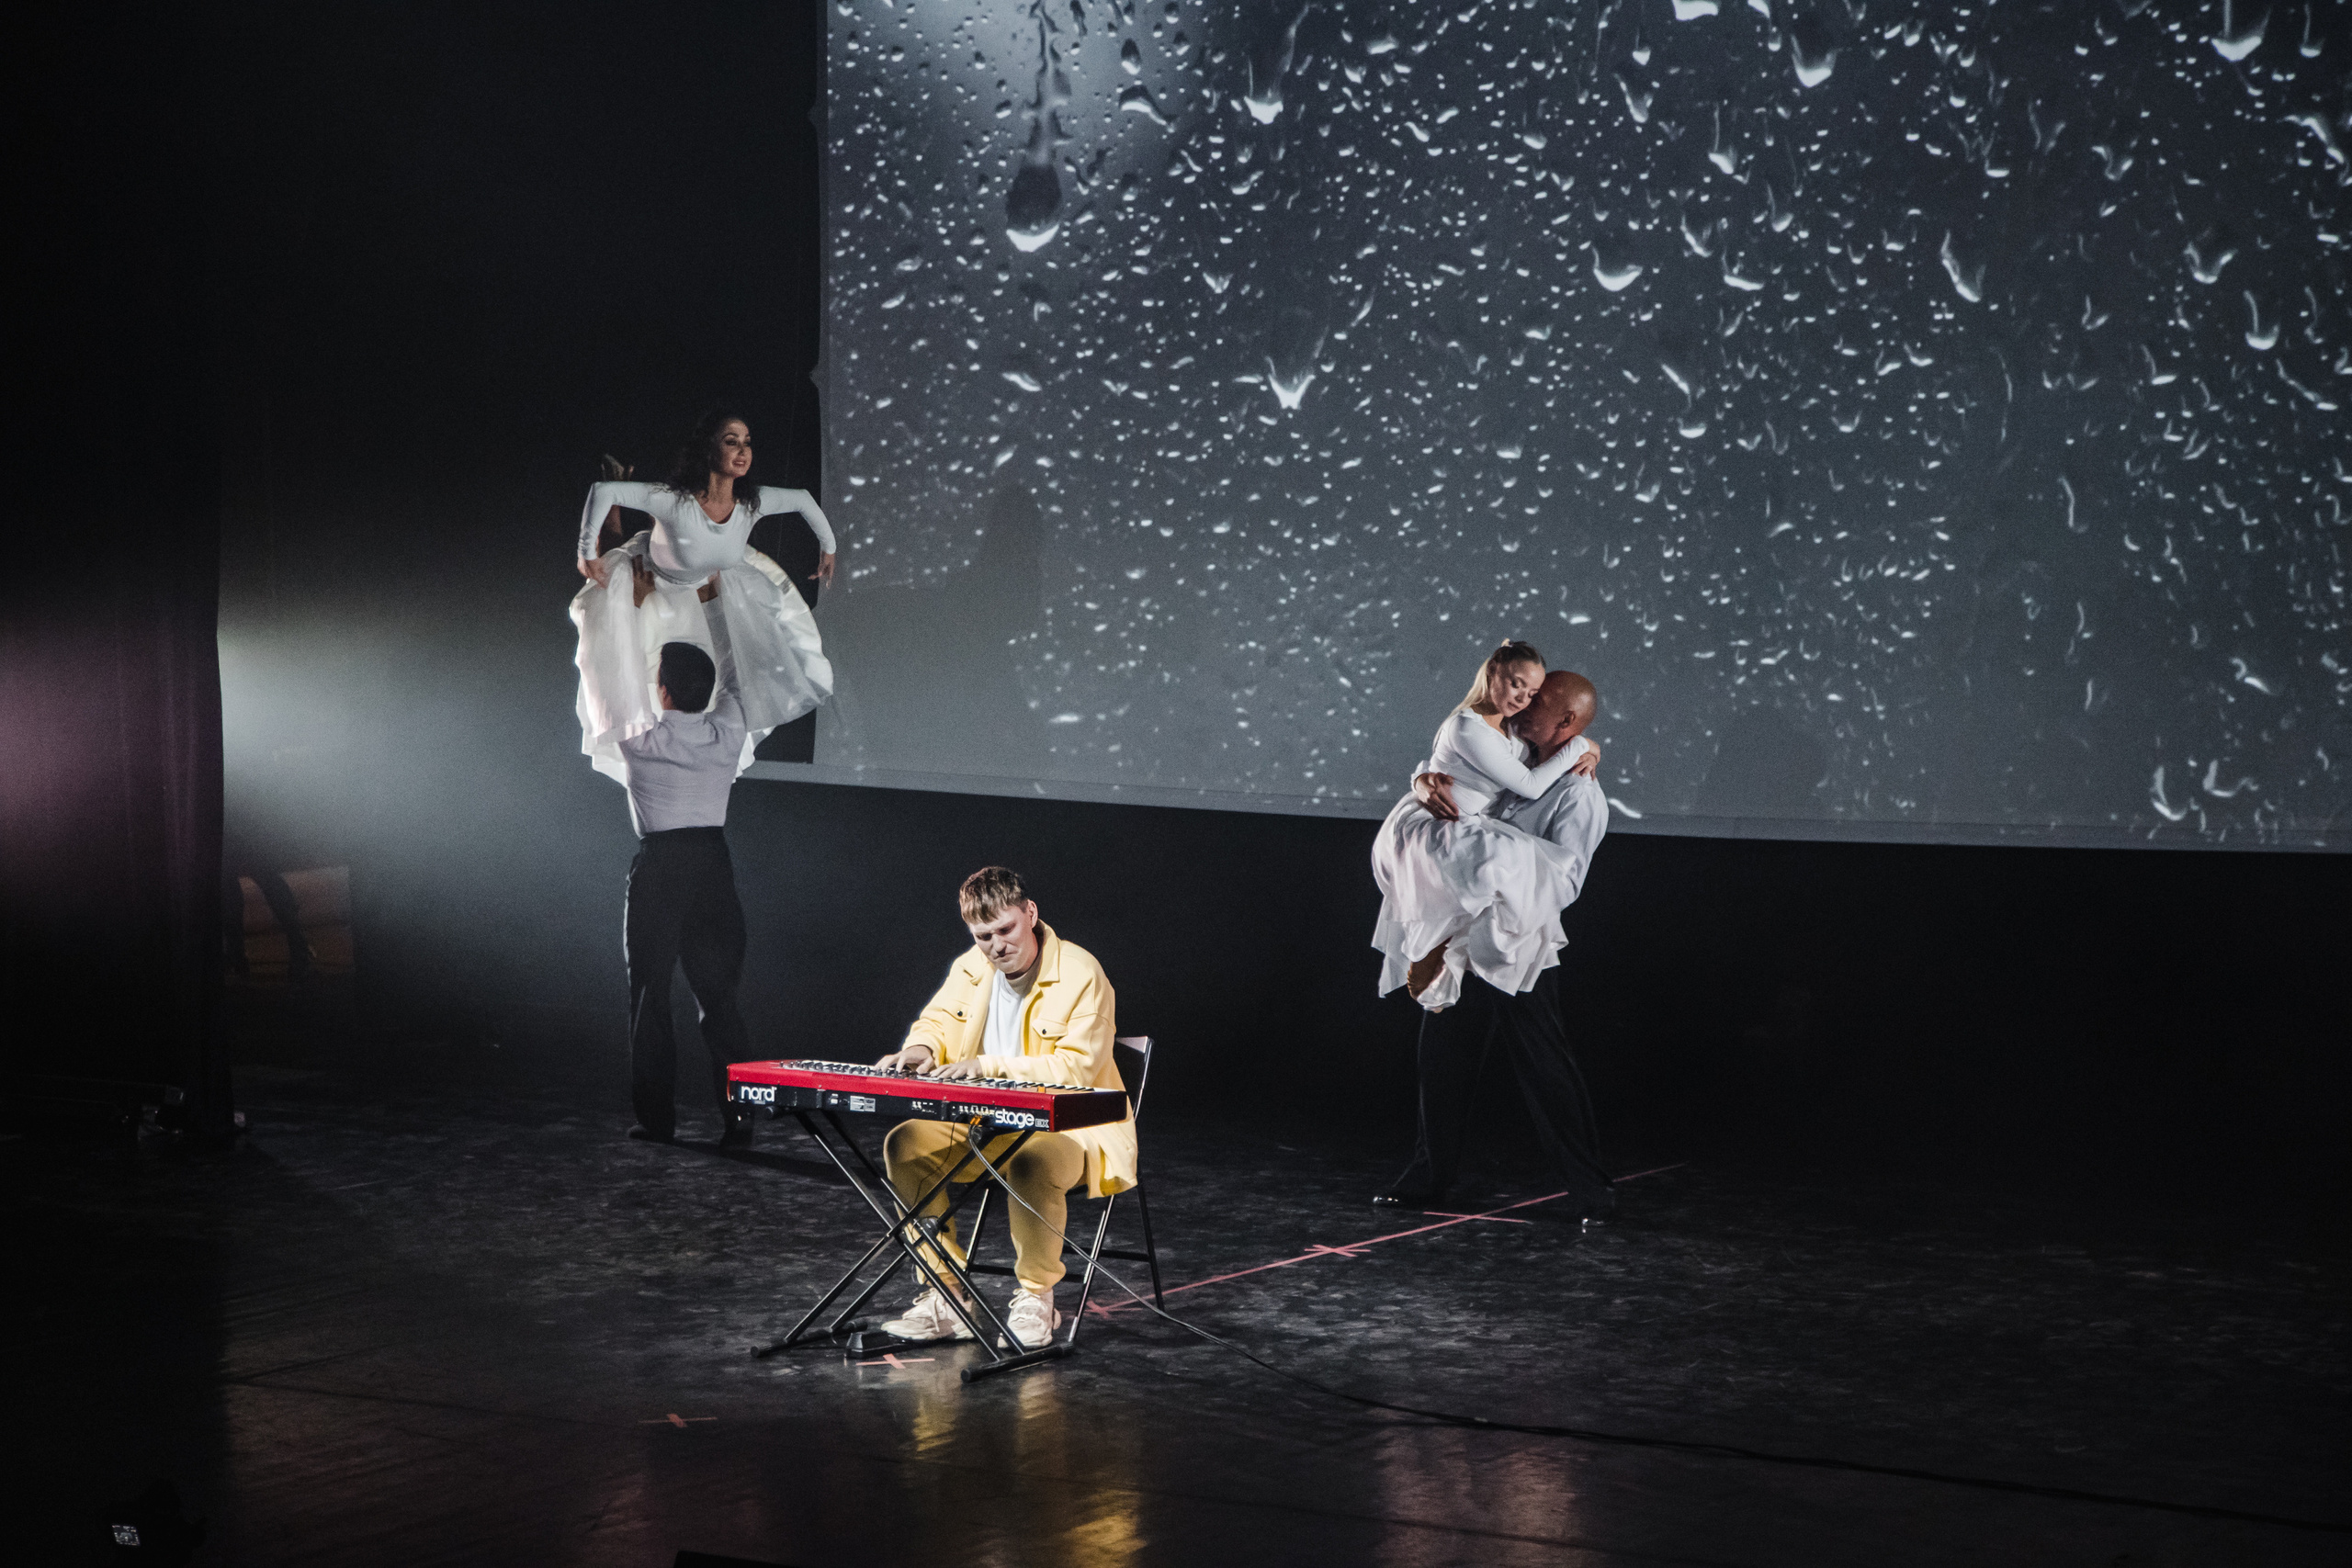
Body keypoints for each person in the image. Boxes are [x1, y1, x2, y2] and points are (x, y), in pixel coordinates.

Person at [1375, 671, 1615, 1216]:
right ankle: (1427, 1178)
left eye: (1538, 704)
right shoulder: (1511, 754)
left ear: (1568, 723)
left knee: (1543, 1062)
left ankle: (1591, 1191)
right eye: (1524, 697)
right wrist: (1421, 783)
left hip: (1516, 945)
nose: (1523, 709)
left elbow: (1567, 880)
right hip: (1461, 937)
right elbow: (1448, 766)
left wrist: (1500, 881)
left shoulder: (1578, 791)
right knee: (1441, 1055)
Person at [868, 867, 1136, 1350]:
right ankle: (945, 1294)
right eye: (983, 935)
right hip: (986, 1127)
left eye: (1005, 930)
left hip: (1073, 1130)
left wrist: (988, 1064)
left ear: (1030, 914)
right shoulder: (972, 966)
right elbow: (937, 1021)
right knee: (905, 1142)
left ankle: (1038, 1297)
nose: (995, 945)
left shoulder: (1080, 972)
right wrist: (923, 1049)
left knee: (1032, 1159)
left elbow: (1077, 1070)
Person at [572, 411, 837, 784]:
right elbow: (601, 494)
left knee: (711, 670)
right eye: (731, 441)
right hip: (657, 574)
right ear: (708, 449)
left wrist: (829, 549)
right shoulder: (674, 500)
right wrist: (586, 552)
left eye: (747, 442)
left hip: (702, 586)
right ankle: (631, 507)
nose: (743, 449)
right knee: (619, 597)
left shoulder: (752, 503)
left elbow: (805, 501)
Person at [1371, 641, 1600, 1013]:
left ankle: (1444, 957)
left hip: (1474, 835)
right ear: (1493, 671)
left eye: (1533, 695)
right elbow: (1525, 784)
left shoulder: (1517, 733)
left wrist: (1587, 746)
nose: (1523, 700)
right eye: (1517, 686)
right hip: (1440, 826)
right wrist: (1582, 746)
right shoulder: (1469, 725)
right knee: (1498, 862)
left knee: (1502, 868)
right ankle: (1435, 949)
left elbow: (1567, 876)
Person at [618, 639, 759, 1147]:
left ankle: (657, 1121)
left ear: (662, 692)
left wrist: (625, 610)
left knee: (651, 996)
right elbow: (738, 675)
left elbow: (607, 681)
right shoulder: (727, 732)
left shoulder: (641, 737)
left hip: (661, 869)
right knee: (720, 1000)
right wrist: (715, 600)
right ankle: (739, 1124)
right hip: (713, 868)